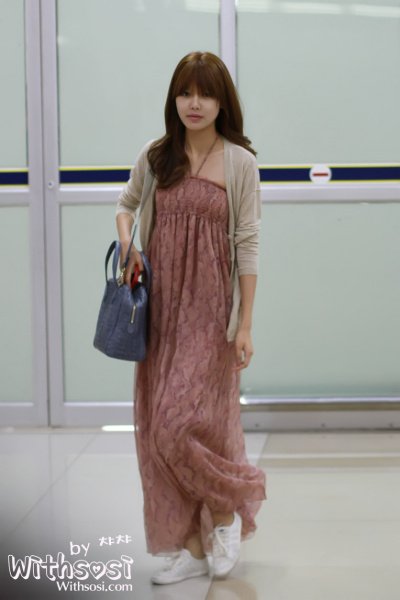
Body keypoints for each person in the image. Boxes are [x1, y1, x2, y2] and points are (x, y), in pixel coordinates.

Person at [115, 51, 267, 585]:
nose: (194, 103)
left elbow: (248, 244)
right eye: (185, 92)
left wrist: (244, 324)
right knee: (158, 428)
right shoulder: (157, 155)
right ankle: (191, 547)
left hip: (210, 312)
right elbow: (126, 205)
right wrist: (128, 243)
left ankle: (225, 514)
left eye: (205, 93)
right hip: (161, 312)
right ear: (173, 99)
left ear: (222, 101)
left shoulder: (239, 163)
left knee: (184, 426)